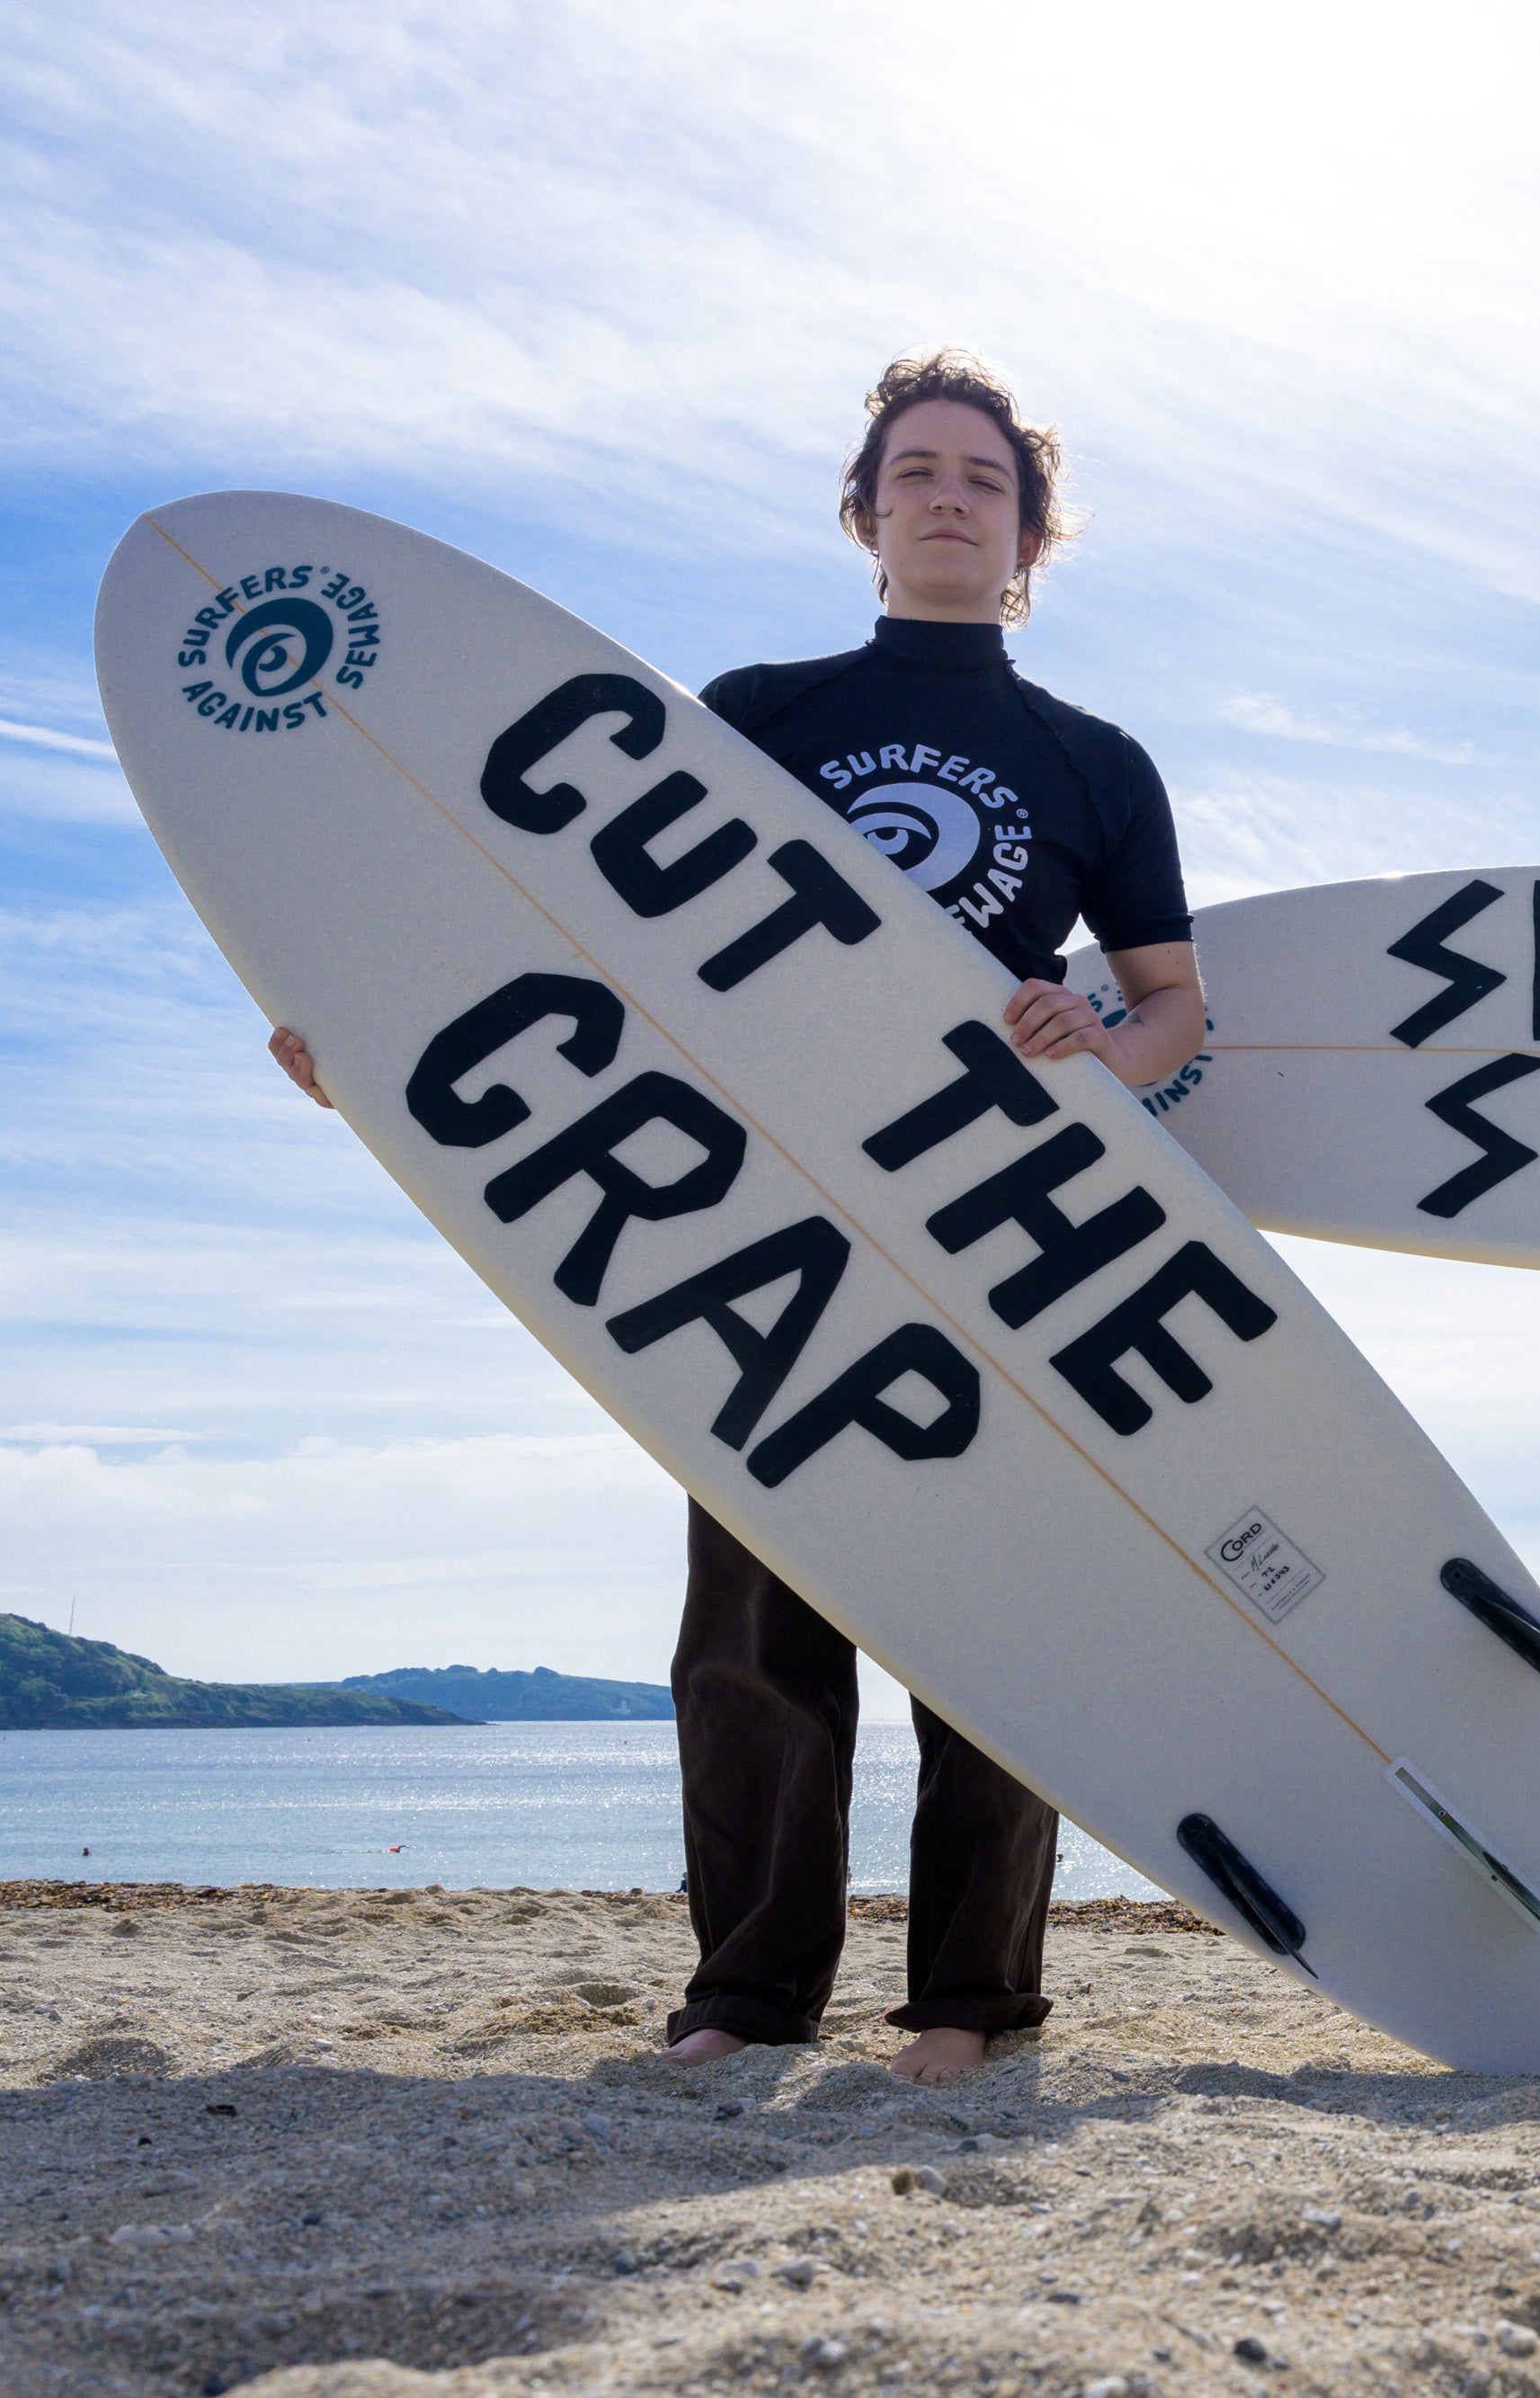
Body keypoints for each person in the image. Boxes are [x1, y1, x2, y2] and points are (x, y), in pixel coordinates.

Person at [271, 351, 1208, 2083]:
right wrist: (381, 1040)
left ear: (1030, 535)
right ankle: (751, 1992)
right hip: (759, 1209)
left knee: (1003, 1616)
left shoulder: (1093, 762)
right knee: (757, 1617)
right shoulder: (760, 713)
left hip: (991, 1217)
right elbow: (568, 928)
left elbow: (1174, 1010)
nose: (947, 499)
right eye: (915, 473)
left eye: (983, 481)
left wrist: (1104, 1048)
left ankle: (970, 2002)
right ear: (863, 514)